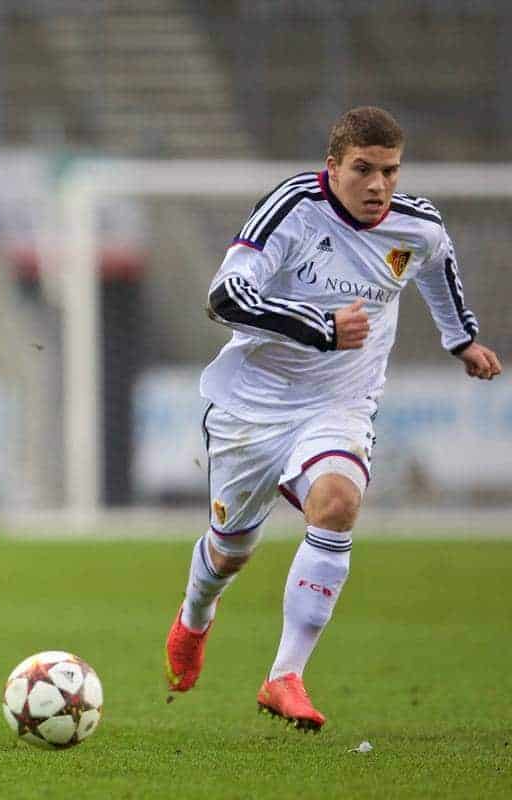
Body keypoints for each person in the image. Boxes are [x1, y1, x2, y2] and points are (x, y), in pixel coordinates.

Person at [163, 106, 502, 730]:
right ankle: (194, 616)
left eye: (390, 171)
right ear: (333, 167)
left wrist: (462, 340)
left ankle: (284, 676)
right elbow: (224, 297)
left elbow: (439, 270)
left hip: (339, 405)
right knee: (230, 550)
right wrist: (319, 326)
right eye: (363, 170)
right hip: (252, 408)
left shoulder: (417, 227)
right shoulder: (294, 206)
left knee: (338, 503)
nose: (378, 185)